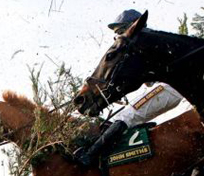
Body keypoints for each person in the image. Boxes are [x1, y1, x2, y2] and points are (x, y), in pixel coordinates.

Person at [75, 9, 192, 167]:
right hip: (170, 87)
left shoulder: (143, 40)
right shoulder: (147, 41)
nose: (117, 37)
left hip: (169, 86)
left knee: (125, 117)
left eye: (120, 31)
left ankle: (90, 156)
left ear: (132, 27)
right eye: (116, 34)